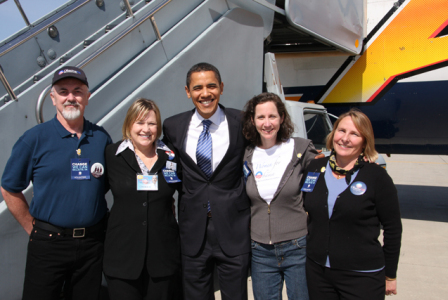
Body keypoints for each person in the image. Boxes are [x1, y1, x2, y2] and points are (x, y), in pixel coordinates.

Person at [0, 66, 111, 300]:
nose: (71, 97)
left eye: (78, 91)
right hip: (48, 245)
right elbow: (9, 188)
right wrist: (33, 228)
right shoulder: (34, 139)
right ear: (53, 98)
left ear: (87, 97)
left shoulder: (101, 138)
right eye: (63, 91)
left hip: (92, 244)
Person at [162, 62, 250, 300]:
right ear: (187, 91)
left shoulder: (242, 122)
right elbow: (166, 166)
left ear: (221, 87)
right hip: (193, 232)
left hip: (233, 229)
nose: (205, 93)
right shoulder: (172, 126)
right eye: (198, 87)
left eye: (211, 86)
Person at [302, 109, 402, 300]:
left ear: (365, 141)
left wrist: (390, 274)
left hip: (362, 275)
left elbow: (393, 229)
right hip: (318, 272)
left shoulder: (377, 177)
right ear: (333, 134)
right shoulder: (315, 168)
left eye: (354, 134)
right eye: (341, 131)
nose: (345, 138)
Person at [103, 98, 182, 300]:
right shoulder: (112, 155)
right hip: (122, 257)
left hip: (162, 257)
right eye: (139, 122)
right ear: (129, 124)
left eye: (152, 123)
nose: (146, 129)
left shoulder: (171, 156)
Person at [242, 92, 317, 300]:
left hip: (297, 246)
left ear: (282, 118)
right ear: (252, 120)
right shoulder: (246, 154)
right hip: (260, 250)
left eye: (272, 116)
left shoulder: (300, 148)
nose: (267, 123)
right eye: (261, 117)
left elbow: (328, 171)